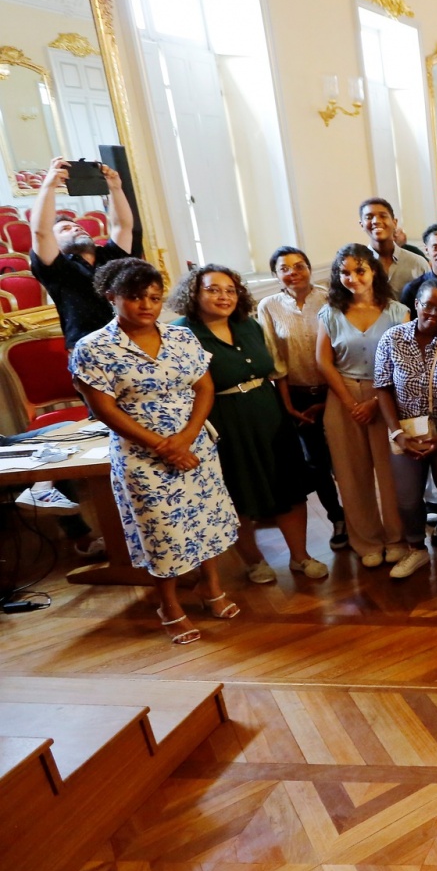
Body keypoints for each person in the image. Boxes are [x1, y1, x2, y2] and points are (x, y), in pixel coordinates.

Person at [69, 258, 240, 645]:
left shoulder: (181, 337)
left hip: (195, 447)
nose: (146, 305)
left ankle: (211, 587)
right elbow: (103, 408)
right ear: (110, 296)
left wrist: (187, 437)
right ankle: (169, 605)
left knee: (205, 520)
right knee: (161, 531)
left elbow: (205, 388)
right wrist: (163, 446)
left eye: (154, 297)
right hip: (142, 457)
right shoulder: (93, 347)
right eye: (134, 297)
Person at [171, 264, 325, 584]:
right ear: (194, 294)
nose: (223, 296)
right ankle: (254, 561)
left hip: (267, 412)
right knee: (237, 492)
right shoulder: (181, 333)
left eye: (229, 290)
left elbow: (273, 369)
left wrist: (285, 408)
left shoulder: (249, 325)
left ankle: (301, 557)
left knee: (289, 486)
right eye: (212, 289)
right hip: (222, 419)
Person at [316, 243, 410, 568]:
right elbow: (324, 362)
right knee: (351, 473)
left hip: (387, 396)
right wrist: (350, 401)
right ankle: (366, 540)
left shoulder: (398, 311)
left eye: (360, 270)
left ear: (373, 272)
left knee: (392, 473)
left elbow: (404, 361)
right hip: (342, 396)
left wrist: (373, 400)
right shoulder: (329, 313)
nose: (352, 278)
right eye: (345, 272)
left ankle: (397, 539)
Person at [373, 277, 437, 580]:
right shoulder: (392, 338)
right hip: (405, 430)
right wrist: (397, 433)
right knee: (408, 497)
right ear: (416, 305)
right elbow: (383, 388)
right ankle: (416, 550)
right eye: (428, 306)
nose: (433, 314)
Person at [259, 246, 347, 550]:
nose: (293, 272)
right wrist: (286, 405)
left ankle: (361, 516)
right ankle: (338, 518)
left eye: (299, 266)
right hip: (295, 396)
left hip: (335, 391)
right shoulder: (268, 306)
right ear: (276, 274)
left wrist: (332, 397)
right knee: (317, 462)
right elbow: (275, 358)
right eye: (285, 268)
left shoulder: (329, 298)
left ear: (310, 267)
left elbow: (340, 351)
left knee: (345, 458)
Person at [29, 156, 136, 349]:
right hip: (89, 349)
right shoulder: (57, 269)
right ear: (55, 243)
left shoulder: (110, 256)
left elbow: (123, 226)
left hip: (132, 339)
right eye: (65, 230)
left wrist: (115, 188)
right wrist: (49, 186)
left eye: (76, 226)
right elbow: (41, 232)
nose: (76, 229)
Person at [359, 197, 428, 290]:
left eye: (383, 216)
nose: (376, 221)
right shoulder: (357, 265)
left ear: (394, 223)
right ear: (362, 225)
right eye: (369, 217)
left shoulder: (417, 263)